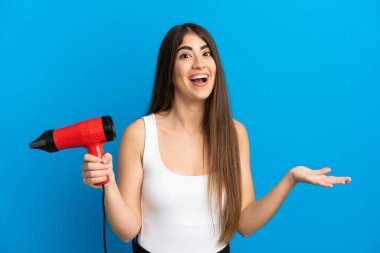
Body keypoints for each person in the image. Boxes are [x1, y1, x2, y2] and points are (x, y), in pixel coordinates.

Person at [81, 23, 352, 253]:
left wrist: (290, 179)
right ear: (169, 73)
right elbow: (127, 231)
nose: (199, 63)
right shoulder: (139, 133)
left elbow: (245, 224)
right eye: (185, 56)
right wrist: (109, 183)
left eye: (206, 53)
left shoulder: (234, 134)